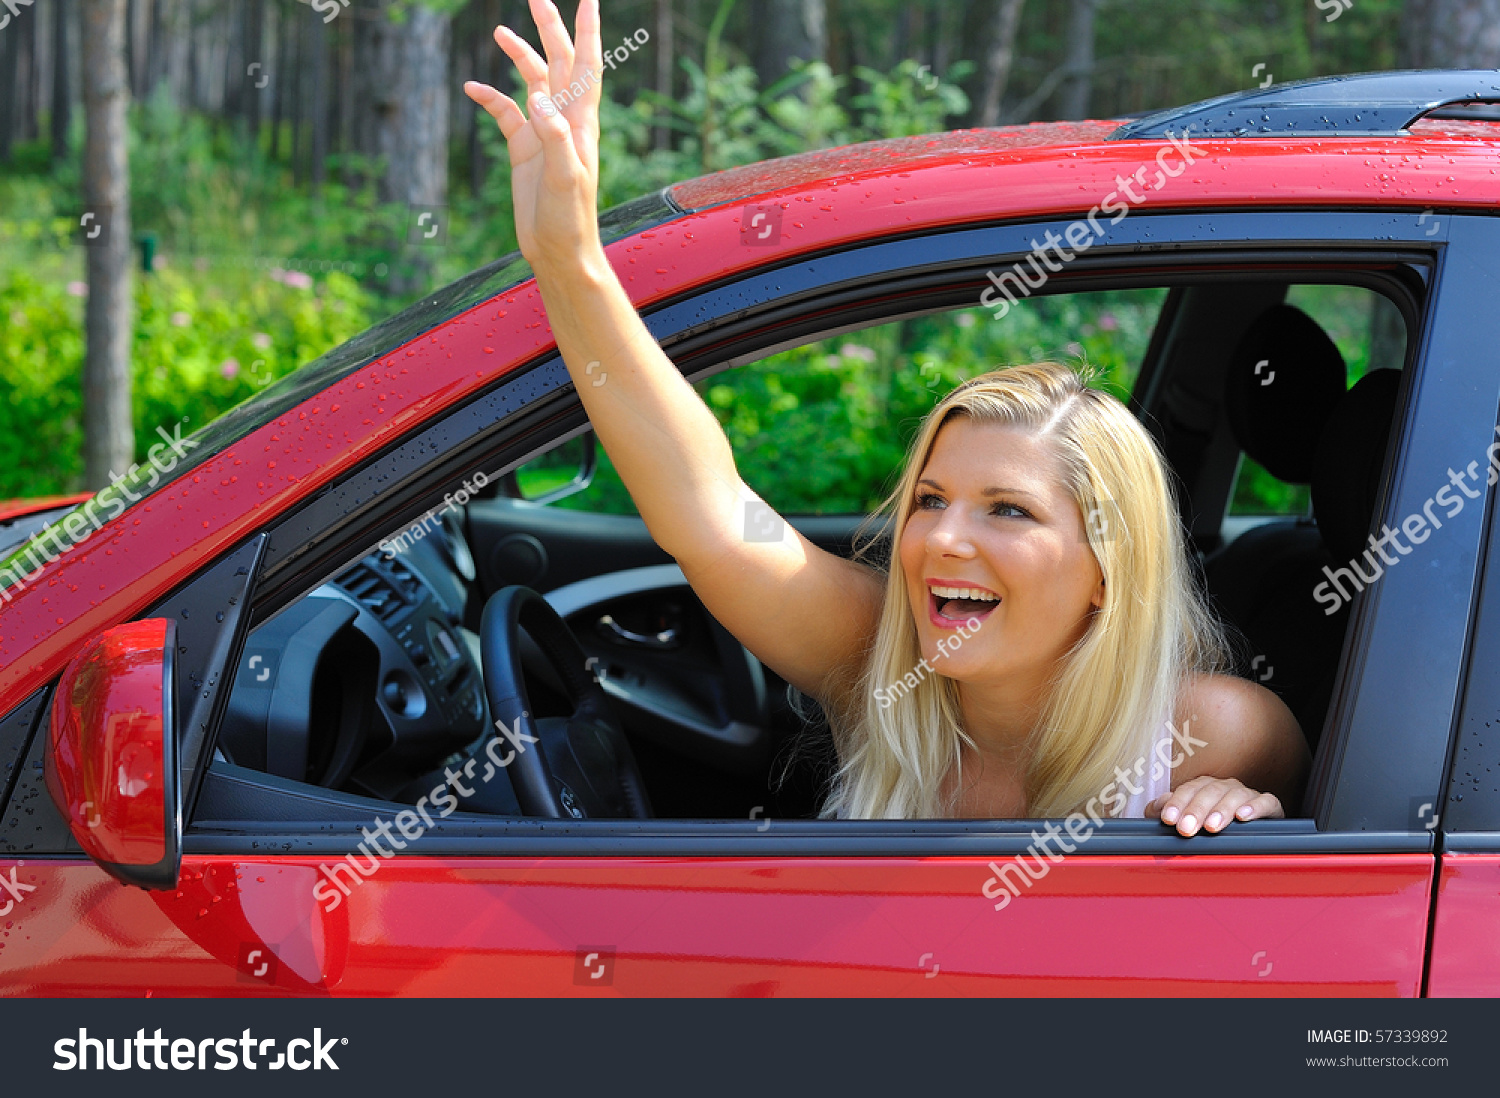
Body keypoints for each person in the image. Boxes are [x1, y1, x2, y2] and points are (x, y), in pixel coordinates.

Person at [463, 0, 1309, 834]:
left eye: (1008, 509)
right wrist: (568, 259)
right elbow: (714, 517)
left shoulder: (1217, 731)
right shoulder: (881, 661)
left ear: (1106, 567)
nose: (942, 538)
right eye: (931, 500)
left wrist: (1257, 817)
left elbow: (1365, 870)